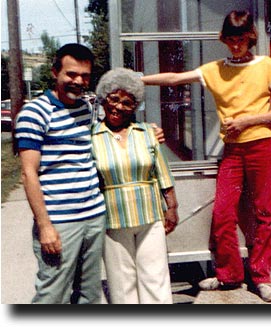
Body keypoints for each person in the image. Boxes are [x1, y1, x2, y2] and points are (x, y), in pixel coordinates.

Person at [141, 10, 271, 302]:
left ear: (251, 37)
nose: (236, 45)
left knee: (265, 213)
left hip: (261, 145)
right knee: (223, 214)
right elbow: (173, 78)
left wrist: (247, 121)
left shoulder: (266, 65)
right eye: (231, 40)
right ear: (223, 39)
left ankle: (262, 277)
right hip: (233, 151)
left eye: (242, 39)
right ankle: (230, 276)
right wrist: (135, 80)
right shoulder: (214, 69)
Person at [14, 43, 164, 304]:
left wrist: (148, 129)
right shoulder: (34, 113)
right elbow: (29, 174)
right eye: (71, 74)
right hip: (60, 222)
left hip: (94, 218)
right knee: (52, 294)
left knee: (89, 294)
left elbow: (111, 132)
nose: (78, 81)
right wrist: (45, 226)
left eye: (84, 76)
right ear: (54, 72)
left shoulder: (85, 109)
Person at [92, 67, 179, 304]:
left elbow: (162, 171)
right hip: (112, 219)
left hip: (150, 216)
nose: (119, 107)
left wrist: (171, 206)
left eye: (127, 103)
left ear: (135, 106)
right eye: (114, 99)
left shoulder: (146, 132)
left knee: (156, 279)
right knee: (122, 284)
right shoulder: (92, 137)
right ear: (104, 98)